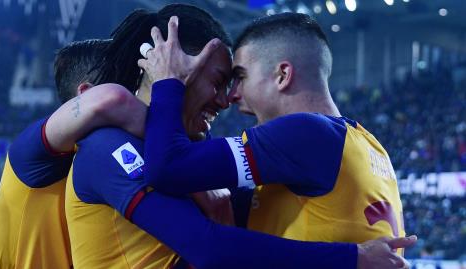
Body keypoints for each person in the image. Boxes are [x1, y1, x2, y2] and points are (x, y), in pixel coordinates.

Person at [65, 6, 416, 269]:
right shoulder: (369, 146)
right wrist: (352, 257)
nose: (229, 98)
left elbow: (171, 170)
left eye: (238, 78)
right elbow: (209, 247)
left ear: (282, 75)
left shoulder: (308, 136)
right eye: (221, 81)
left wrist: (167, 85)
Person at [0, 39, 146, 269]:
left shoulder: (105, 159)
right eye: (130, 87)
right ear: (87, 93)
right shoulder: (31, 154)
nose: (137, 99)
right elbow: (108, 102)